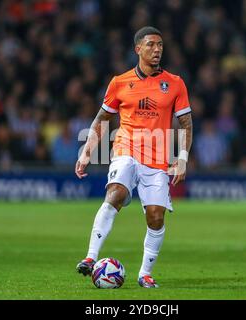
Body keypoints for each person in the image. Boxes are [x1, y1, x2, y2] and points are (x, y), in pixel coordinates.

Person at [74, 26, 193, 288]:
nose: (157, 49)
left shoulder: (175, 83)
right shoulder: (119, 82)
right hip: (125, 150)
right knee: (115, 192)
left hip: (158, 159)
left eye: (160, 45)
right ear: (138, 49)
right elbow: (102, 119)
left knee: (155, 216)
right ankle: (91, 256)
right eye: (151, 44)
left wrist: (182, 158)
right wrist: (87, 152)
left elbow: (185, 123)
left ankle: (144, 274)